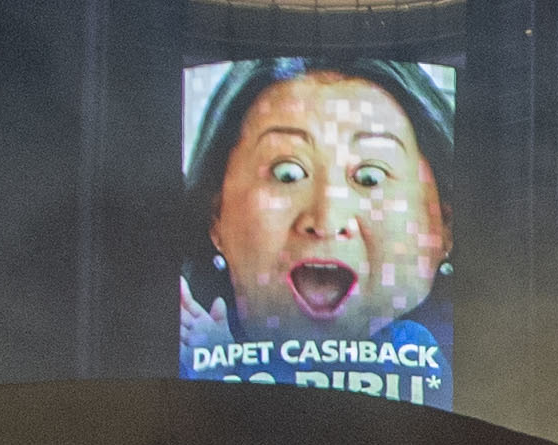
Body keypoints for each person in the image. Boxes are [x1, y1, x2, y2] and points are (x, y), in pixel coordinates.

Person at [179, 59, 454, 404]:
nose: (326, 220)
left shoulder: (413, 350)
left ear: (445, 227)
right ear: (214, 215)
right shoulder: (190, 347)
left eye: (370, 177)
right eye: (287, 174)